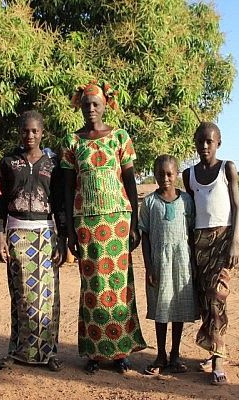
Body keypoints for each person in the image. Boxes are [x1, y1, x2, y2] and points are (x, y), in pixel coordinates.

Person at [62, 81, 146, 374]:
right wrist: (69, 230)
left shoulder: (120, 137)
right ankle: (94, 353)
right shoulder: (72, 142)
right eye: (86, 105)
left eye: (95, 104)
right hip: (85, 220)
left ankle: (121, 352)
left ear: (105, 104)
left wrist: (134, 221)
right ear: (81, 108)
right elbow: (67, 187)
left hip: (117, 220)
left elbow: (131, 182)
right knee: (93, 287)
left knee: (119, 286)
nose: (91, 109)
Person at [0, 110, 67, 372]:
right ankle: (17, 351)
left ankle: (49, 352)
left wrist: (62, 240)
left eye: (35, 131)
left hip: (46, 234)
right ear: (19, 132)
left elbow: (59, 204)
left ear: (42, 133)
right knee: (21, 295)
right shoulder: (8, 163)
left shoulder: (53, 164)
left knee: (48, 297)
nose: (30, 135)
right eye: (25, 130)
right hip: (16, 233)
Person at [182, 121, 239, 385]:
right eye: (200, 141)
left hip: (223, 239)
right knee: (205, 299)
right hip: (199, 242)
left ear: (219, 142)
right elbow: (192, 211)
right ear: (195, 143)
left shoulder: (227, 168)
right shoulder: (189, 175)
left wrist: (235, 243)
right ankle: (213, 348)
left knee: (218, 295)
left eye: (210, 141)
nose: (205, 146)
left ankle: (219, 357)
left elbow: (238, 206)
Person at [140, 155, 197, 376]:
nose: (165, 178)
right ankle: (161, 355)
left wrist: (194, 263)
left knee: (178, 309)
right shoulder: (150, 202)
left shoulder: (186, 201)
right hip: (159, 262)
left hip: (182, 261)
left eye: (170, 174)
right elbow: (144, 235)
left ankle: (175, 355)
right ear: (154, 174)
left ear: (176, 174)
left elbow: (191, 233)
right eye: (161, 174)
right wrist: (149, 267)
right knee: (161, 308)